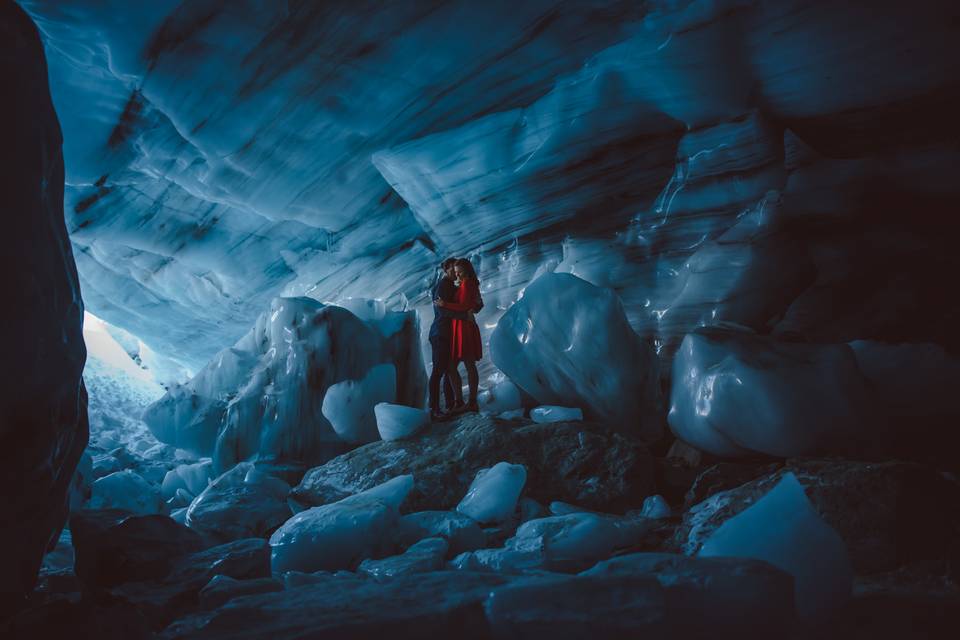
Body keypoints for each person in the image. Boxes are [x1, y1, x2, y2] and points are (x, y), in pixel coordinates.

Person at [437, 258, 483, 412]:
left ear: (467, 271)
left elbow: (464, 306)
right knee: (452, 366)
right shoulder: (464, 284)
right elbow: (472, 305)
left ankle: (471, 401)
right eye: (456, 272)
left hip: (465, 327)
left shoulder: (468, 283)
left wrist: (445, 304)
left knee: (469, 364)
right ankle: (460, 401)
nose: (457, 275)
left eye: (460, 272)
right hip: (459, 326)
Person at [427, 258, 467, 420]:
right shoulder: (443, 286)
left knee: (449, 369)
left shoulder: (449, 286)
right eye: (453, 270)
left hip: (445, 333)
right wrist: (463, 314)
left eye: (457, 270)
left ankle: (450, 405)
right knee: (438, 371)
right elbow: (442, 310)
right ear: (446, 270)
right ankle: (434, 409)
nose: (456, 273)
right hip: (440, 333)